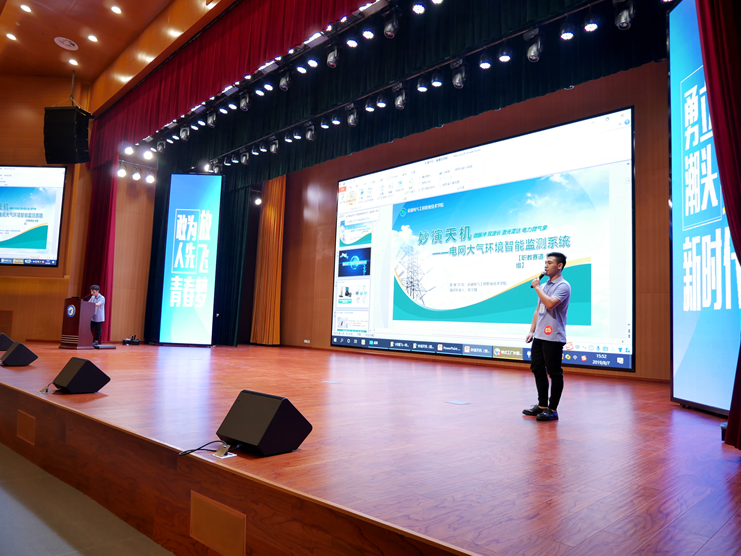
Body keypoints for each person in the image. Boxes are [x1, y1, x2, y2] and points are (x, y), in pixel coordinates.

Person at [523, 252, 571, 421]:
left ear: (559, 266)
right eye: (545, 262)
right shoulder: (544, 286)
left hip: (554, 336)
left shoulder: (563, 286)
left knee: (554, 372)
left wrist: (537, 288)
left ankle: (553, 409)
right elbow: (538, 310)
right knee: (537, 368)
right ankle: (542, 405)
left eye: (550, 262)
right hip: (540, 335)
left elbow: (550, 304)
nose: (546, 265)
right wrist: (532, 330)